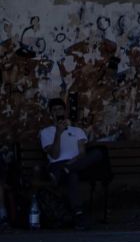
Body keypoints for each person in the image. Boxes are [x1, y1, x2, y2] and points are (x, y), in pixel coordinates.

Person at [40, 98, 104, 229]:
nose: (58, 112)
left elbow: (82, 154)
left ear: (65, 111)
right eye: (54, 110)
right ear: (51, 113)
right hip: (58, 165)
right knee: (72, 175)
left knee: (98, 153)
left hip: (75, 163)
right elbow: (55, 155)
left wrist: (70, 165)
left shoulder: (77, 131)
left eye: (60, 109)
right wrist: (58, 133)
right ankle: (78, 214)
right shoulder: (46, 132)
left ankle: (67, 170)